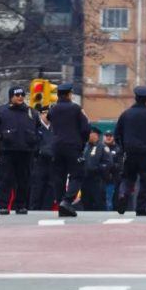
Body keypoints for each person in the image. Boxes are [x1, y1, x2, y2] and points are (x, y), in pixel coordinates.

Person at [0, 85, 41, 215]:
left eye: (22, 95)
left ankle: (21, 205)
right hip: (7, 151)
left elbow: (39, 129)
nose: (20, 97)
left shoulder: (32, 112)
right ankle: (3, 205)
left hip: (26, 151)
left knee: (24, 180)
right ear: (11, 97)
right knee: (5, 179)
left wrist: (35, 141)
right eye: (17, 95)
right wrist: (1, 136)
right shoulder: (1, 111)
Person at [114, 86, 146, 216]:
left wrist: (122, 148)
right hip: (145, 152)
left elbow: (117, 134)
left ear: (135, 98)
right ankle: (141, 207)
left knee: (127, 177)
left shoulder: (125, 114)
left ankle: (122, 194)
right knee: (145, 180)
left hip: (129, 152)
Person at [49, 83, 91, 217]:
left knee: (59, 175)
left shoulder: (53, 109)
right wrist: (82, 141)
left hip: (56, 146)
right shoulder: (76, 109)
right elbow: (85, 129)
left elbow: (50, 119)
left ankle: (61, 201)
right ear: (69, 94)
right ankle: (67, 201)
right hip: (73, 145)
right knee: (77, 174)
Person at [29, 105, 56, 210]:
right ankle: (34, 209)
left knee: (50, 189)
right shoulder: (36, 126)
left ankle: (46, 209)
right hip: (39, 162)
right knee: (37, 188)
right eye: (47, 113)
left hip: (52, 162)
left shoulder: (55, 128)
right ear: (42, 114)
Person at [81, 127, 114, 211]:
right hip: (85, 180)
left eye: (90, 133)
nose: (88, 135)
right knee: (86, 203)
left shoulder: (102, 147)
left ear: (96, 135)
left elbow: (108, 163)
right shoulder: (85, 146)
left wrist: (97, 168)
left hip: (98, 180)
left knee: (99, 204)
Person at [103, 130, 121, 211]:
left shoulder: (117, 149)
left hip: (112, 179)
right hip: (99, 180)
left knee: (109, 201)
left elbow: (120, 165)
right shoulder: (100, 148)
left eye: (110, 135)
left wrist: (110, 166)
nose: (108, 137)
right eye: (107, 135)